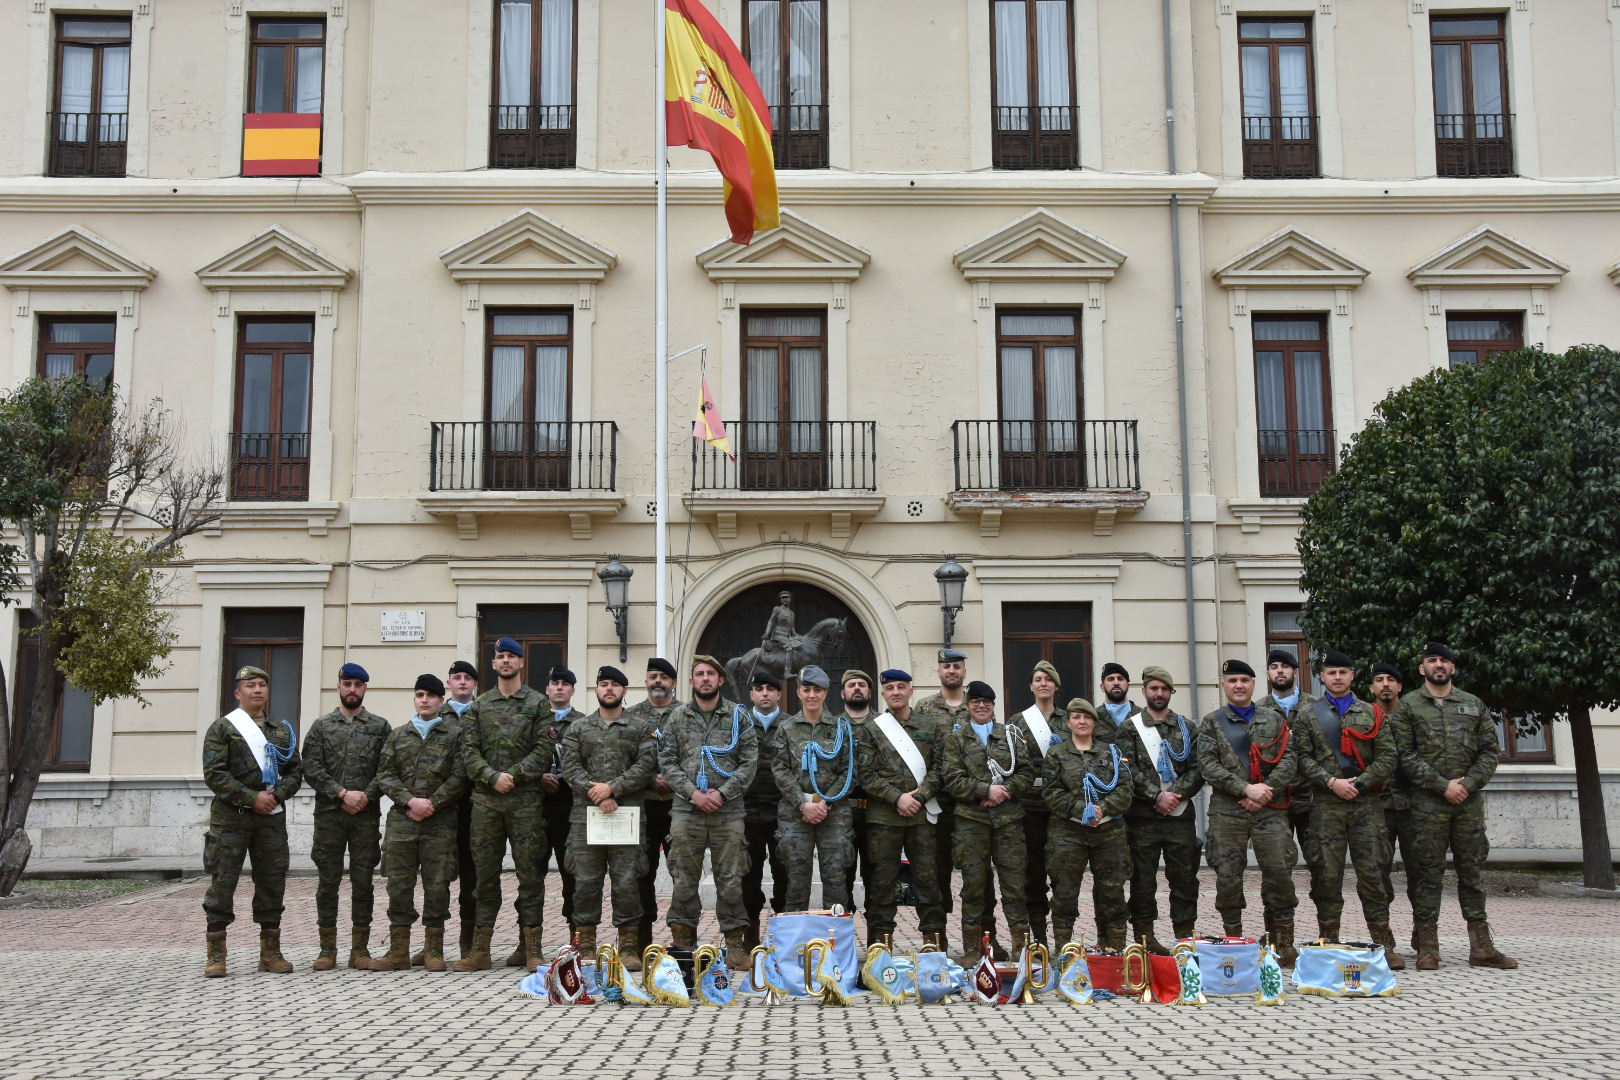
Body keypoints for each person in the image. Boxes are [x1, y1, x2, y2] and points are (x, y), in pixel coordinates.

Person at [1390, 643, 1516, 970]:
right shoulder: (1409, 707)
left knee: (1471, 873)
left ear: (1453, 667)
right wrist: (1442, 785)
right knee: (1427, 876)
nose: (1438, 664)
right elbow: (1404, 755)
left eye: (1444, 659)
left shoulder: (1473, 704)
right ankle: (1428, 948)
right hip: (1426, 805)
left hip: (1468, 805)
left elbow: (1490, 751)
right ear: (1422, 669)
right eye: (1432, 660)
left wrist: (1467, 784)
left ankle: (1482, 947)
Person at [454, 637, 556, 973]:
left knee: (530, 876)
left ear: (521, 662)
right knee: (485, 878)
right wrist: (491, 776)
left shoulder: (538, 704)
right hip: (486, 804)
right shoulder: (479, 706)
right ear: (493, 663)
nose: (506, 661)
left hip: (526, 804)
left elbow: (544, 751)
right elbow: (468, 752)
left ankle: (532, 949)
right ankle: (480, 949)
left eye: (512, 656)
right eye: (500, 656)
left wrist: (511, 775)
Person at [200, 665, 303, 978]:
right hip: (231, 819)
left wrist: (275, 796)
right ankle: (216, 955)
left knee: (272, 882)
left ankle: (270, 953)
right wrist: (252, 798)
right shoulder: (223, 728)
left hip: (270, 820)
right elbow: (215, 775)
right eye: (250, 685)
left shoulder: (281, 730)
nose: (257, 690)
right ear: (238, 693)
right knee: (223, 883)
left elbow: (296, 772)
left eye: (262, 685)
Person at [1291, 652, 1397, 949]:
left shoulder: (1371, 712)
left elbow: (1388, 756)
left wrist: (1361, 783)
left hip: (1366, 807)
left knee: (1374, 874)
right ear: (1321, 677)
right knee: (1327, 875)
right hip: (1325, 806)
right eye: (1331, 672)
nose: (1337, 677)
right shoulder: (1308, 714)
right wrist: (1331, 782)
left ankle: (1383, 944)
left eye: (1343, 672)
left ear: (1352, 676)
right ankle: (1329, 941)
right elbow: (1299, 757)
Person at [1197, 659, 1300, 965]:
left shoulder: (1274, 719)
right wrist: (1245, 788)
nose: (1239, 685)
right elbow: (1207, 765)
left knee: (1279, 873)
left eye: (1244, 679)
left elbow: (1290, 760)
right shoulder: (1212, 722)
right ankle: (1234, 942)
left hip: (1270, 809)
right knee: (1228, 878)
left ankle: (1283, 943)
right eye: (1232, 680)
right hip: (1228, 810)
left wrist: (1265, 790)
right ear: (1225, 685)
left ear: (1254, 684)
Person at [658, 655, 759, 963]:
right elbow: (667, 763)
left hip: (728, 813)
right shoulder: (676, 717)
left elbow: (750, 762)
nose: (705, 678)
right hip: (687, 812)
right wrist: (693, 794)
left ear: (721, 680)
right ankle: (684, 944)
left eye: (711, 674)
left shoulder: (738, 716)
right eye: (699, 674)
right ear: (691, 682)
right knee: (684, 878)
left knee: (730, 879)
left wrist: (723, 794)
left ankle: (735, 945)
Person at [559, 666, 659, 968]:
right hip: (586, 818)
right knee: (586, 882)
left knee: (627, 881)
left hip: (625, 817)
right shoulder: (578, 728)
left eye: (615, 685)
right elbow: (569, 766)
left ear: (625, 691)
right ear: (597, 690)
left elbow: (646, 765)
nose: (609, 689)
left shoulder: (640, 727)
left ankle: (628, 946)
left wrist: (612, 789)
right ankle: (585, 945)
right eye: (604, 684)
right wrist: (597, 793)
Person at [369, 673, 468, 972]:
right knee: (399, 885)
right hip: (402, 821)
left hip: (440, 822)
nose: (424, 700)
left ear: (441, 700)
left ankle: (433, 950)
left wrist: (433, 803)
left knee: (438, 885)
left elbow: (461, 775)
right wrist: (410, 801)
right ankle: (398, 950)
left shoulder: (455, 735)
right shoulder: (398, 735)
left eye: (430, 696)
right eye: (419, 695)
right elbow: (384, 773)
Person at [301, 662, 389, 971]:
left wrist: (365, 795)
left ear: (366, 688)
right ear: (339, 687)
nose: (352, 689)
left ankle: (360, 949)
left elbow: (388, 769)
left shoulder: (380, 727)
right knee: (328, 881)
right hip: (330, 816)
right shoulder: (321, 726)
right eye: (347, 683)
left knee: (363, 881)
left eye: (358, 684)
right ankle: (327, 949)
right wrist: (341, 794)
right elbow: (310, 766)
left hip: (365, 816)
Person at [1115, 664, 1203, 953]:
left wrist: (1175, 794)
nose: (1159, 693)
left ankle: (1184, 937)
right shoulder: (1129, 728)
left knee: (1185, 879)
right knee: (1142, 880)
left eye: (1165, 689)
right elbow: (1125, 769)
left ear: (1171, 692)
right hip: (1142, 818)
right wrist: (1156, 796)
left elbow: (1199, 768)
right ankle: (1145, 938)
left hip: (1179, 817)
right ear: (1144, 691)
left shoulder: (1187, 728)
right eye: (1154, 688)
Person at [942, 680, 1031, 965]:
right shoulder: (956, 740)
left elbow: (1026, 773)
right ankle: (975, 947)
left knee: (1015, 884)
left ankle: (1020, 946)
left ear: (994, 706)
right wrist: (985, 790)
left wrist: (1004, 792)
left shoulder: (1011, 736)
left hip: (1008, 821)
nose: (981, 706)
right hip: (971, 822)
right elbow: (952, 780)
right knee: (974, 886)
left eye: (987, 702)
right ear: (967, 706)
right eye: (976, 702)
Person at [858, 668, 946, 951]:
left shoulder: (930, 727)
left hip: (922, 817)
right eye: (890, 687)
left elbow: (940, 768)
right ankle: (880, 947)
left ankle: (934, 944)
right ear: (883, 693)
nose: (896, 691)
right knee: (882, 882)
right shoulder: (872, 729)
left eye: (901, 686)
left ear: (911, 691)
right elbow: (866, 774)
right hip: (884, 818)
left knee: (928, 880)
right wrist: (897, 798)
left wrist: (919, 799)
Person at [1043, 698, 1134, 950]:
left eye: (1087, 717)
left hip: (1108, 834)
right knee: (1064, 894)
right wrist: (1082, 810)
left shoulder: (1111, 752)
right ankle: (1065, 952)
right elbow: (1051, 792)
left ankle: (1112, 951)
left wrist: (1102, 809)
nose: (1082, 721)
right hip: (1067, 833)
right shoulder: (1056, 754)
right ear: (1068, 722)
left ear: (1094, 722)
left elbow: (1126, 788)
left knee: (1112, 893)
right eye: (1076, 717)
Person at [772, 665, 858, 915]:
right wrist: (802, 803)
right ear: (798, 692)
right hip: (795, 813)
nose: (811, 695)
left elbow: (849, 772)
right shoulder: (786, 729)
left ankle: (836, 947)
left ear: (825, 693)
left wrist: (825, 803)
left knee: (836, 879)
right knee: (796, 882)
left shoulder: (842, 728)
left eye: (817, 690)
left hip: (833, 813)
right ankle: (796, 947)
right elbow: (780, 770)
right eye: (806, 689)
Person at [1257, 648, 1318, 943]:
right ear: (1268, 674)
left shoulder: (1316, 707)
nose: (1279, 671)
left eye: (1285, 666)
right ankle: (1275, 935)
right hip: (1273, 802)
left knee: (1322, 867)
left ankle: (1325, 935)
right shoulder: (1258, 710)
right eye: (1274, 667)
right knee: (1275, 869)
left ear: (1296, 672)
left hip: (1311, 798)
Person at [913, 649, 971, 937]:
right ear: (938, 671)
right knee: (935, 870)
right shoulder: (924, 708)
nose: (951, 670)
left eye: (956, 666)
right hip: (935, 802)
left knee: (974, 872)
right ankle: (937, 937)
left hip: (969, 802)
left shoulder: (977, 705)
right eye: (946, 666)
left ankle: (980, 938)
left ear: (964, 672)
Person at [625, 657, 682, 947]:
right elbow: (625, 758)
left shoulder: (686, 714)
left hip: (678, 805)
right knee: (640, 872)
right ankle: (642, 942)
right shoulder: (631, 716)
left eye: (663, 676)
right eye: (652, 676)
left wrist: (674, 778)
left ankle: (683, 941)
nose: (657, 681)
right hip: (643, 806)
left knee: (682, 871)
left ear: (673, 682)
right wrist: (649, 779)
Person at [1009, 660, 1064, 946]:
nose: (1043, 683)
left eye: (1048, 679)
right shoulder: (1018, 722)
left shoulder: (1069, 720)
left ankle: (1063, 937)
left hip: (1061, 810)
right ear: (1031, 686)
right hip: (1030, 807)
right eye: (1038, 679)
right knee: (1033, 874)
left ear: (1056, 686)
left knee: (1062, 875)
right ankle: (1039, 936)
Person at [1371, 661, 1417, 965]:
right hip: (1377, 807)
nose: (1385, 684)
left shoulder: (1415, 715)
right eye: (1379, 680)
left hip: (1416, 805)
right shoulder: (1364, 716)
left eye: (1391, 680)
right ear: (1372, 688)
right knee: (1378, 877)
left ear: (1400, 686)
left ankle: (1425, 938)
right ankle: (1383, 942)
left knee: (1423, 874)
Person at [740, 670, 788, 949]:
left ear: (779, 695)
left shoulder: (792, 725)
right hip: (747, 814)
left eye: (771, 689)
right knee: (748, 877)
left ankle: (783, 940)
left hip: (784, 814)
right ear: (752, 695)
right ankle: (750, 941)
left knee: (785, 875)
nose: (765, 693)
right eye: (759, 689)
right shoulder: (739, 724)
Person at [538, 664, 579, 959]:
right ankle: (529, 945)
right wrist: (538, 776)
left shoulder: (582, 723)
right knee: (532, 876)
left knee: (572, 877)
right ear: (548, 689)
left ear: (572, 690)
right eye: (555, 683)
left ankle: (575, 941)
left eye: (565, 683)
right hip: (536, 809)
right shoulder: (535, 720)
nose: (560, 687)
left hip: (571, 810)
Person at [444, 660, 483, 960]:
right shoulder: (433, 714)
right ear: (449, 683)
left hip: (475, 808)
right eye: (456, 677)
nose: (462, 682)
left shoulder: (483, 714)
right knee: (437, 878)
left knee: (472, 877)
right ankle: (432, 945)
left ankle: (468, 944)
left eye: (467, 678)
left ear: (475, 685)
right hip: (441, 809)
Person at [838, 669, 877, 919]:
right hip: (843, 812)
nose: (857, 688)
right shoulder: (833, 726)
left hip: (877, 812)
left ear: (870, 692)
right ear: (843, 693)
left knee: (877, 876)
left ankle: (877, 944)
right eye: (851, 685)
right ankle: (841, 940)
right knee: (842, 877)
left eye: (862, 684)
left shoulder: (884, 726)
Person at [1096, 661, 1137, 746]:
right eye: (1111, 679)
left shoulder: (1142, 716)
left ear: (1128, 686)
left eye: (1120, 679)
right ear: (1102, 687)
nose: (1116, 683)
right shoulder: (1093, 718)